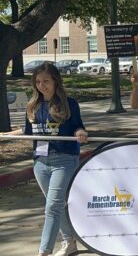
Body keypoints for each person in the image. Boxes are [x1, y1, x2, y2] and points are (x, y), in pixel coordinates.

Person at [1, 62, 88, 256]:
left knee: (52, 207)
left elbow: (77, 126)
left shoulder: (69, 103)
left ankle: (44, 251)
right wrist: (9, 134)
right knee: (55, 204)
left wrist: (81, 132)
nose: (41, 85)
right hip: (40, 162)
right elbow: (29, 131)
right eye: (38, 82)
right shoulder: (33, 105)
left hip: (64, 159)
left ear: (55, 81)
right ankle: (69, 242)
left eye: (46, 81)